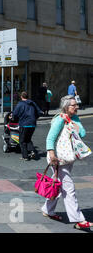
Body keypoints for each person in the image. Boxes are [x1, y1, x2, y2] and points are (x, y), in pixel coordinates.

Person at [42, 95, 92, 230]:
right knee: (68, 188)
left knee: (57, 185)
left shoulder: (74, 118)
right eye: (74, 105)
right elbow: (50, 139)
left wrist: (71, 121)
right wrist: (52, 155)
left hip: (68, 156)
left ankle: (48, 210)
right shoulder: (59, 119)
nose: (77, 107)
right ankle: (78, 219)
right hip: (58, 158)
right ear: (66, 106)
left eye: (77, 105)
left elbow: (82, 133)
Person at [11, 91, 44, 161]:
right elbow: (39, 112)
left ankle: (25, 156)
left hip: (24, 124)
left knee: (22, 141)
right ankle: (32, 151)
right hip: (32, 124)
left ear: (21, 97)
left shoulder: (20, 104)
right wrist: (35, 118)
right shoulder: (32, 103)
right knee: (28, 139)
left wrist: (13, 118)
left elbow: (15, 113)